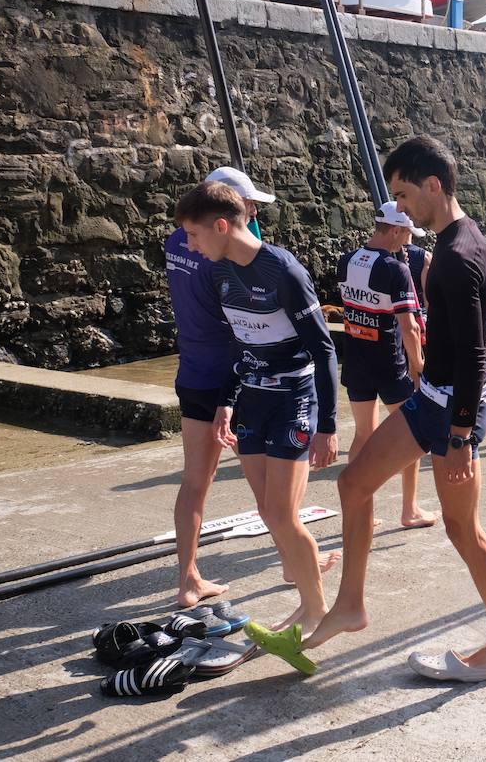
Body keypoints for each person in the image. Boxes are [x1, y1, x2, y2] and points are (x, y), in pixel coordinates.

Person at [283, 136, 486, 683]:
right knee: (353, 485)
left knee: (464, 530)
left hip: (452, 413)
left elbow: (474, 357)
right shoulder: (456, 242)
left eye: (404, 194)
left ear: (433, 185)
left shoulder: (458, 259)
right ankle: (350, 605)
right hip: (430, 400)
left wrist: (461, 435)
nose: (400, 208)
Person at [175, 181, 338, 649]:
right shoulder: (219, 272)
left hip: (293, 399)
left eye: (194, 234)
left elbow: (324, 348)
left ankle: (315, 608)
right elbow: (239, 342)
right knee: (268, 511)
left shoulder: (283, 269)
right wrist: (226, 400)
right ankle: (310, 603)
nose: (189, 245)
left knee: (285, 515)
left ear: (221, 226)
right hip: (251, 399)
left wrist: (327, 424)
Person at [164, 167, 280, 608]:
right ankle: (292, 562)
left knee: (195, 480)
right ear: (225, 212)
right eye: (247, 205)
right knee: (266, 481)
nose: (252, 212)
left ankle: (188, 579)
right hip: (232, 377)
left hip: (192, 371)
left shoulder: (179, 240)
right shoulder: (226, 257)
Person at [337, 202, 437, 530]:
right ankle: (409, 509)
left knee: (364, 434)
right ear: (395, 229)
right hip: (390, 363)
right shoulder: (396, 270)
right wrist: (418, 365)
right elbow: (408, 327)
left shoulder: (347, 260)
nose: (407, 241)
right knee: (413, 434)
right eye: (406, 233)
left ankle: (359, 507)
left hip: (355, 359)